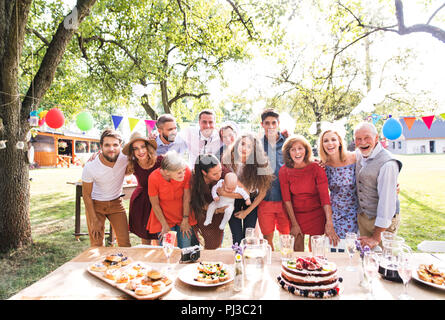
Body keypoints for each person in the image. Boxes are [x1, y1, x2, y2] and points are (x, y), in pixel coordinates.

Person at [279, 135, 339, 252]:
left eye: (300, 148)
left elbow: (325, 197)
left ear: (306, 150)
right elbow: (287, 200)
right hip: (295, 214)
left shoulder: (316, 167)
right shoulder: (284, 171)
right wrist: (294, 224)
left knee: (316, 251)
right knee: (297, 250)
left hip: (316, 213)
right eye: (293, 149)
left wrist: (329, 222)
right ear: (288, 153)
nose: (297, 152)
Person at [354, 122, 402, 249]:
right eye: (358, 139)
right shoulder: (359, 155)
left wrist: (376, 236)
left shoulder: (388, 163)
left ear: (376, 138)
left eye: (367, 137)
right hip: (364, 218)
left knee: (381, 260)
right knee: (364, 258)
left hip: (383, 223)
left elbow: (387, 203)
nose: (363, 142)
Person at [81, 129, 131, 247]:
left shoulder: (125, 158)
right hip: (96, 205)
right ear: (101, 146)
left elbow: (141, 149)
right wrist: (94, 220)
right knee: (97, 244)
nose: (111, 149)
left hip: (116, 203)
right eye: (107, 145)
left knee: (125, 244)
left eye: (115, 145)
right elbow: (86, 195)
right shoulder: (90, 166)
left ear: (120, 146)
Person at [223, 133, 275, 245]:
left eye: (249, 146)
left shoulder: (259, 165)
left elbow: (262, 193)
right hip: (233, 201)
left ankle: (248, 260)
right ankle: (237, 259)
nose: (244, 148)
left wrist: (246, 212)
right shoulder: (229, 162)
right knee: (236, 237)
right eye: (242, 144)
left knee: (249, 237)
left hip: (251, 202)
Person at [147, 150, 199, 248]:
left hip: (183, 215)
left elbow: (187, 197)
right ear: (166, 172)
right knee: (168, 248)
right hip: (164, 217)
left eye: (184, 171)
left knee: (185, 248)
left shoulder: (185, 170)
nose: (183, 175)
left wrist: (185, 219)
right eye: (179, 173)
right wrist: (164, 225)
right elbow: (155, 204)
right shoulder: (153, 178)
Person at [257, 108, 289, 251]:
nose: (270, 126)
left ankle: (286, 265)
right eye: (267, 123)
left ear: (278, 123)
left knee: (286, 237)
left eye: (273, 123)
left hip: (285, 199)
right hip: (265, 199)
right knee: (267, 238)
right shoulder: (257, 144)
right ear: (262, 124)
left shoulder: (288, 143)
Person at [122, 132, 161, 245]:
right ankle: (145, 261)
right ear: (132, 152)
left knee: (159, 236)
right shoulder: (132, 164)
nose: (140, 151)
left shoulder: (159, 161)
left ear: (148, 147)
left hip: (158, 201)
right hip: (141, 202)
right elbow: (113, 164)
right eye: (136, 148)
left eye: (143, 147)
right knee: (145, 237)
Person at [318, 129, 359, 239]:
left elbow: (372, 171)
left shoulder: (355, 158)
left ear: (340, 142)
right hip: (335, 214)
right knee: (335, 248)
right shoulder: (323, 166)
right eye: (326, 141)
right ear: (322, 145)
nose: (330, 143)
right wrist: (329, 221)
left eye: (333, 139)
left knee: (352, 248)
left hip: (354, 212)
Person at [190, 154, 233, 249]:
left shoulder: (224, 173)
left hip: (218, 216)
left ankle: (213, 261)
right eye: (214, 174)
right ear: (204, 172)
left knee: (214, 244)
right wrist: (216, 210)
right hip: (201, 212)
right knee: (199, 242)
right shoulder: (194, 180)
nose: (219, 175)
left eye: (220, 170)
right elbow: (195, 202)